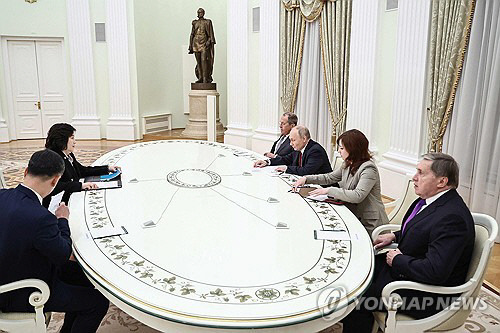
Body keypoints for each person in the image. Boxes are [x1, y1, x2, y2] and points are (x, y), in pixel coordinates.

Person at [341, 153, 475, 332]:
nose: (414, 177)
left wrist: (397, 260)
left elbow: (435, 272)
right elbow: (425, 231)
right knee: (357, 271)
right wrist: (396, 236)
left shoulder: (452, 218)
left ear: (442, 182)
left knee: (355, 296)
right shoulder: (431, 200)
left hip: (427, 294)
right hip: (408, 272)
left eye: (421, 173)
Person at [0, 149, 109, 333]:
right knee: (97, 303)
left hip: (9, 270)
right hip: (20, 292)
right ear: (55, 180)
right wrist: (62, 219)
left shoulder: (2, 195)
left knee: (80, 277)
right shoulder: (41, 218)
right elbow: (64, 253)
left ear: (26, 171)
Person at [293, 129, 388, 234]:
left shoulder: (368, 168)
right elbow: (330, 177)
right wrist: (306, 179)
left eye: (342, 148)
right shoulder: (348, 163)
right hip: (353, 215)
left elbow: (358, 195)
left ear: (353, 149)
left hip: (370, 223)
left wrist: (329, 190)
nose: (339, 151)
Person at [43, 123, 119, 209]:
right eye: (72, 138)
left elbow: (82, 171)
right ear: (62, 140)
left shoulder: (68, 154)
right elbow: (54, 186)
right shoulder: (53, 158)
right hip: (56, 205)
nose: (75, 142)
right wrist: (80, 186)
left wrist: (107, 168)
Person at [254, 125, 332, 176]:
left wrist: (287, 168)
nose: (291, 144)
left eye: (293, 140)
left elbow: (306, 171)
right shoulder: (299, 148)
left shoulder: (315, 150)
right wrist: (267, 162)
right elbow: (285, 159)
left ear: (304, 138)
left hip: (323, 190)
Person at [188, 8, 216, 83]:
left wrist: (209, 41)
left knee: (204, 60)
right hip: (196, 43)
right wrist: (190, 45)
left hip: (204, 43)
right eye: (199, 12)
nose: (200, 13)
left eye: (201, 12)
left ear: (204, 13)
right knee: (198, 61)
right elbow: (192, 34)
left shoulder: (207, 22)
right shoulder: (194, 22)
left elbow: (211, 34)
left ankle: (205, 78)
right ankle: (200, 77)